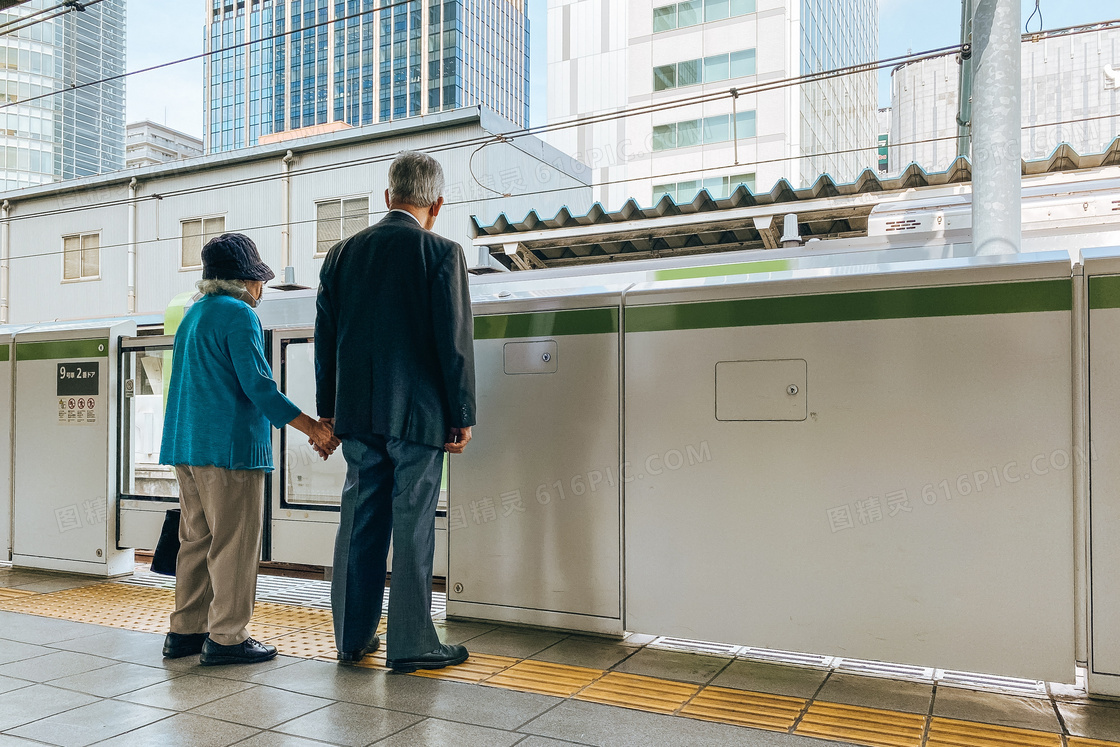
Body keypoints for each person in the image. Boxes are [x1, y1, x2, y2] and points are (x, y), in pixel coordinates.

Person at [316, 151, 476, 672]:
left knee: (359, 522)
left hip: (358, 414)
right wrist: (462, 412)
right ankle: (412, 643)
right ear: (436, 205)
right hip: (420, 418)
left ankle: (351, 639)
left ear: (388, 197)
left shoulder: (340, 255)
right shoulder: (442, 253)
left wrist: (330, 411)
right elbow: (452, 345)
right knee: (413, 525)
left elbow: (326, 341)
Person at [160, 233, 339, 666]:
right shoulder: (239, 315)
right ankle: (227, 637)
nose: (261, 290)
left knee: (196, 541)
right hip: (230, 450)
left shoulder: (194, 313)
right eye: (259, 281)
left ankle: (185, 631)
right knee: (235, 544)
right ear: (243, 281)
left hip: (187, 446)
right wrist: (313, 428)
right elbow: (258, 386)